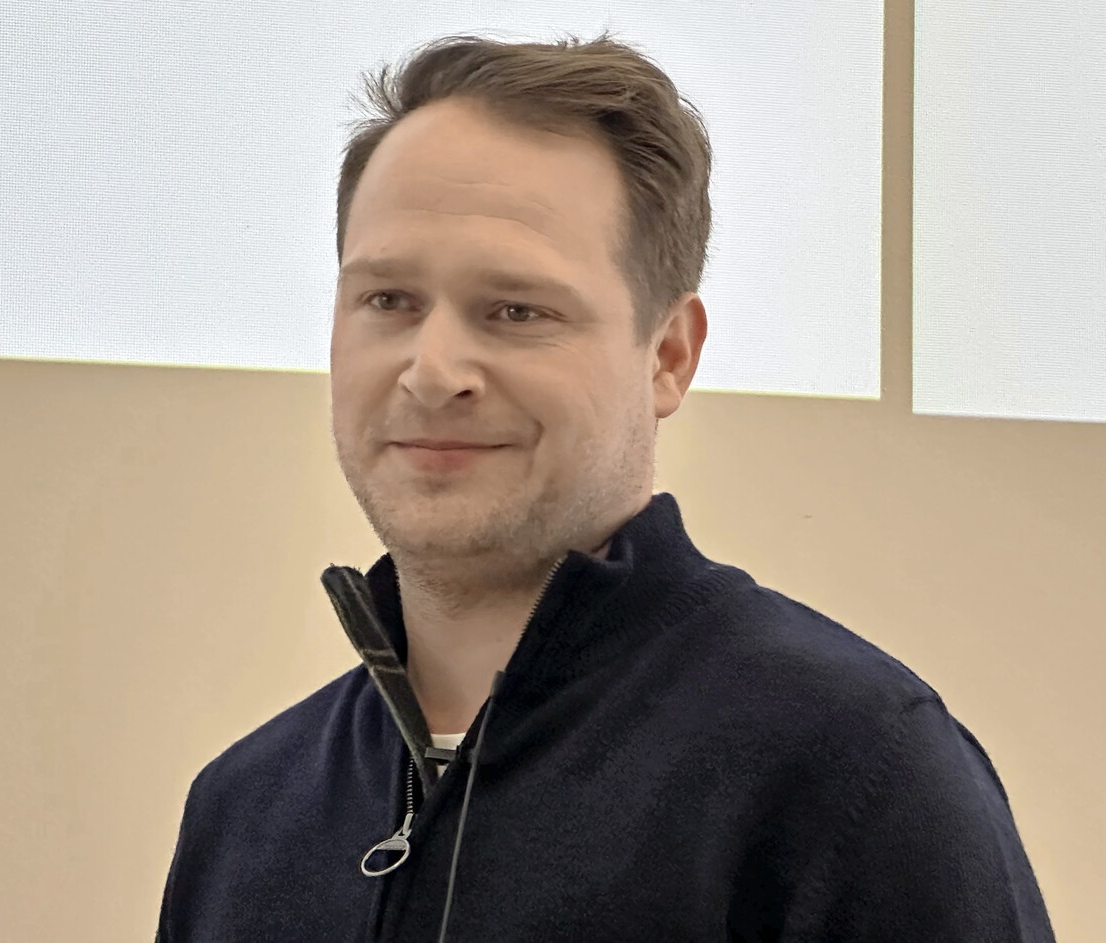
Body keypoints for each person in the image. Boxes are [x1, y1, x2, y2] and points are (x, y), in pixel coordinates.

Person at [155, 32, 1055, 942]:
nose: (431, 372)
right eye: (388, 300)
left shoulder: (852, 770)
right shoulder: (242, 810)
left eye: (516, 310)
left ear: (667, 356)